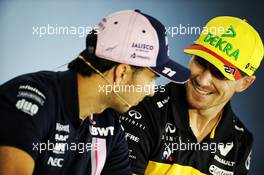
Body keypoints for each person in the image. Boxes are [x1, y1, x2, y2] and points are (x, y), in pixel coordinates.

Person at [0, 10, 190, 175]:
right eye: (152, 78)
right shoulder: (29, 98)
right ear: (122, 72)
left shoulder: (111, 126)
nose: (150, 92)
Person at [121, 16, 263, 175]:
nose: (203, 81)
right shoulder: (142, 110)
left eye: (220, 74)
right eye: (201, 62)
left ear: (245, 83)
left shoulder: (240, 141)